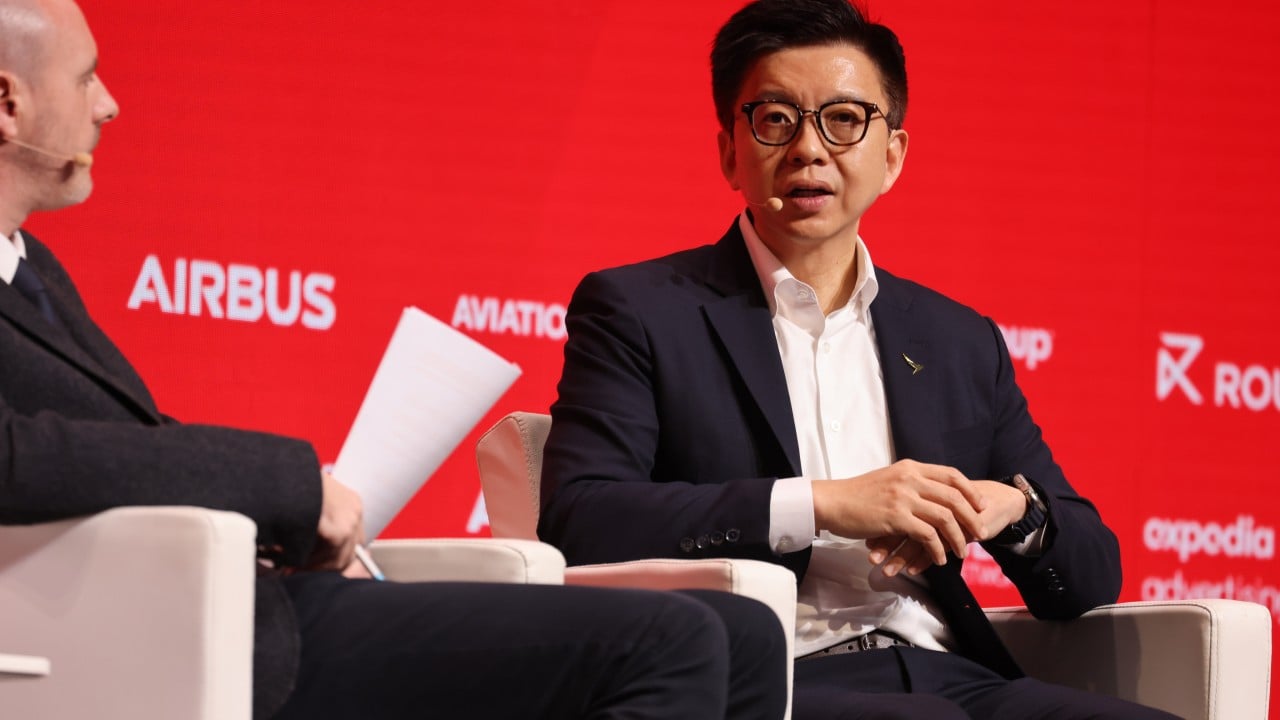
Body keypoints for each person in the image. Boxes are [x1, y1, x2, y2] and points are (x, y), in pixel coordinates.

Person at [0, 1, 791, 719]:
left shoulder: (35, 268)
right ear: (8, 104)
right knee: (672, 641)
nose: (108, 104)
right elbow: (16, 456)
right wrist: (291, 486)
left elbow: (128, 442)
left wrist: (281, 519)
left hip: (241, 591)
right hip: (184, 631)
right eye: (86, 77)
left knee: (747, 631)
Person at [538, 1, 1180, 718]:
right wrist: (823, 504)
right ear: (729, 153)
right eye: (776, 119)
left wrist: (1013, 512)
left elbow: (1092, 575)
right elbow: (582, 518)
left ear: (893, 156)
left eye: (843, 119)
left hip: (952, 673)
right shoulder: (641, 310)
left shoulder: (958, 341)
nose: (809, 149)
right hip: (766, 678)